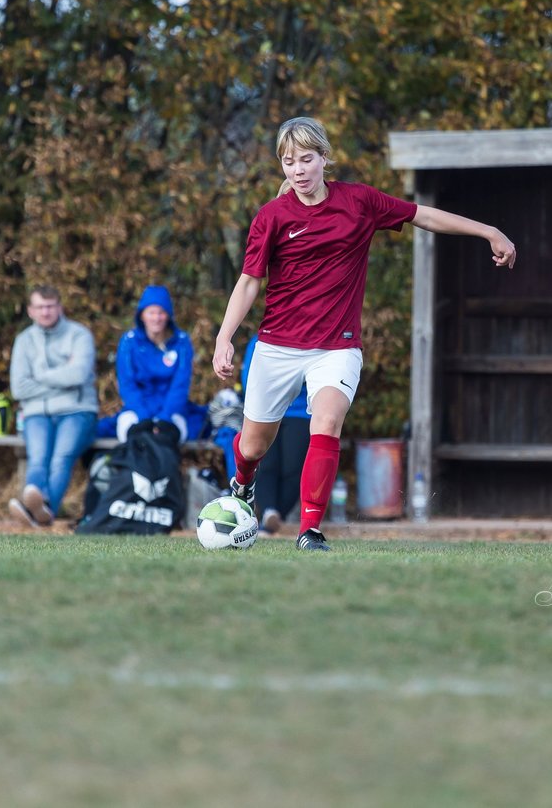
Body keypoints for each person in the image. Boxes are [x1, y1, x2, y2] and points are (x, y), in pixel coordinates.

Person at [213, 116, 516, 551]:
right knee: (255, 444)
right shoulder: (272, 217)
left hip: (336, 347)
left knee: (328, 421)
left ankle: (310, 530)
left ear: (323, 159)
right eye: (288, 161)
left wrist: (488, 231)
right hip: (277, 346)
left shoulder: (358, 202)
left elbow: (422, 215)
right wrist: (225, 337)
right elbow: (248, 282)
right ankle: (242, 485)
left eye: (306, 159)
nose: (298, 170)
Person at [7, 285, 99, 527]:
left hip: (77, 410)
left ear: (59, 307)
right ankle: (40, 510)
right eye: (39, 307)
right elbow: (19, 388)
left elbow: (78, 375)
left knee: (61, 457)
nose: (45, 312)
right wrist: (62, 377)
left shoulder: (79, 335)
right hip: (37, 411)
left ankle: (37, 507)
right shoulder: (24, 341)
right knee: (38, 457)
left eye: (49, 307)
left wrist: (39, 375)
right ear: (30, 311)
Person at [242, 334, 310, 534]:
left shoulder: (312, 337)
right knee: (266, 464)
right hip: (268, 410)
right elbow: (249, 378)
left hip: (300, 412)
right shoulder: (259, 340)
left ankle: (274, 517)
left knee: (293, 469)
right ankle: (269, 513)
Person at [114, 285, 195, 443]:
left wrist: (164, 418)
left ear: (168, 315)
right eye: (151, 312)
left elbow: (180, 385)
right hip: (137, 411)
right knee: (137, 438)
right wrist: (144, 418)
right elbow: (126, 384)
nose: (156, 318)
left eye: (161, 312)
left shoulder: (182, 342)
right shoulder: (129, 342)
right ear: (142, 315)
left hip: (171, 412)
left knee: (166, 439)